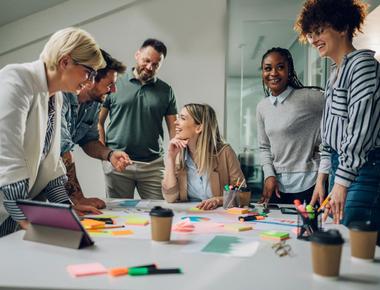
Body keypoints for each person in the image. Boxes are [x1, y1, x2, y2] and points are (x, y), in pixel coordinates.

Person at [0, 27, 105, 237]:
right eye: (89, 71)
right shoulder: (16, 79)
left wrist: (66, 208)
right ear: (65, 62)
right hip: (10, 206)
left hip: (16, 211)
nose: (91, 81)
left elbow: (51, 162)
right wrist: (26, 217)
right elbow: (7, 156)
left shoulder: (56, 96)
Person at [295, 0, 380, 226]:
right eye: (311, 34)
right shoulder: (335, 72)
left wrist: (341, 183)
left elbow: (360, 132)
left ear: (342, 28)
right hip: (340, 166)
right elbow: (330, 131)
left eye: (319, 31)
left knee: (352, 239)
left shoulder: (362, 66)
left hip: (363, 168)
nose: (313, 40)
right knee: (337, 235)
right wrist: (322, 178)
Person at [98, 39, 177, 199]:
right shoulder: (114, 83)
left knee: (158, 212)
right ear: (137, 55)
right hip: (118, 163)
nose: (149, 67)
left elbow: (173, 129)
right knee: (118, 216)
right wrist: (105, 156)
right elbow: (98, 122)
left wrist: (174, 162)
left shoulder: (166, 90)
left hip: (153, 165)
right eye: (147, 61)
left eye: (155, 64)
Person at [61, 49, 132, 209]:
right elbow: (63, 149)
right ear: (91, 78)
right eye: (110, 84)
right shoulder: (61, 97)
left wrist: (110, 154)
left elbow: (89, 140)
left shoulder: (94, 104)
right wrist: (78, 197)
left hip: (51, 182)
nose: (113, 90)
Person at [256, 47, 324, 205]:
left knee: (311, 229)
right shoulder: (262, 107)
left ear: (289, 71)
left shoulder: (309, 97)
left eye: (280, 67)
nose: (273, 73)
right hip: (277, 186)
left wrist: (322, 142)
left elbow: (341, 112)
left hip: (310, 182)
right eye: (268, 68)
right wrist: (269, 175)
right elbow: (264, 147)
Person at [162, 103, 245, 210]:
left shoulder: (225, 153)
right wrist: (170, 158)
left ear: (199, 127)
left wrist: (218, 200)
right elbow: (170, 198)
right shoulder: (178, 153)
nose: (175, 122)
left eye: (182, 118)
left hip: (220, 217)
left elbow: (242, 193)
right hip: (189, 215)